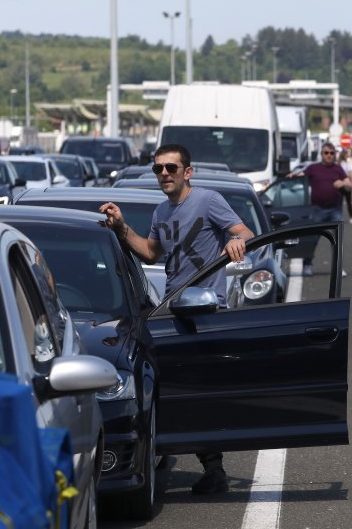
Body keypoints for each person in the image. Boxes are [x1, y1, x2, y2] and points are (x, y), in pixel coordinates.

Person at [99, 142, 254, 495]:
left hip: (205, 309)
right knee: (168, 388)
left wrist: (235, 243)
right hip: (173, 309)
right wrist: (121, 227)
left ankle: (214, 469)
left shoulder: (207, 200)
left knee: (196, 389)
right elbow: (151, 251)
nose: (164, 174)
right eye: (158, 169)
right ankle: (185, 458)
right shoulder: (160, 213)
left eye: (171, 168)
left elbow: (243, 232)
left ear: (188, 172)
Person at [291, 142, 352, 276]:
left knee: (337, 240)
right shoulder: (314, 168)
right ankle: (307, 265)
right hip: (317, 209)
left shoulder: (338, 169)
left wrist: (342, 183)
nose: (329, 156)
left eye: (331, 153)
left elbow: (349, 185)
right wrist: (291, 176)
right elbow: (301, 177)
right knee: (312, 238)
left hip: (334, 209)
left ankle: (337, 267)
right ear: (321, 154)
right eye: (326, 153)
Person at [339, 148, 352, 223]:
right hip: (346, 183)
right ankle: (351, 217)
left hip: (340, 183)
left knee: (339, 202)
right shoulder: (346, 164)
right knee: (349, 201)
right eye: (346, 154)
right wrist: (351, 183)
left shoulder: (339, 163)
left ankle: (339, 217)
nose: (348, 155)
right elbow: (349, 174)